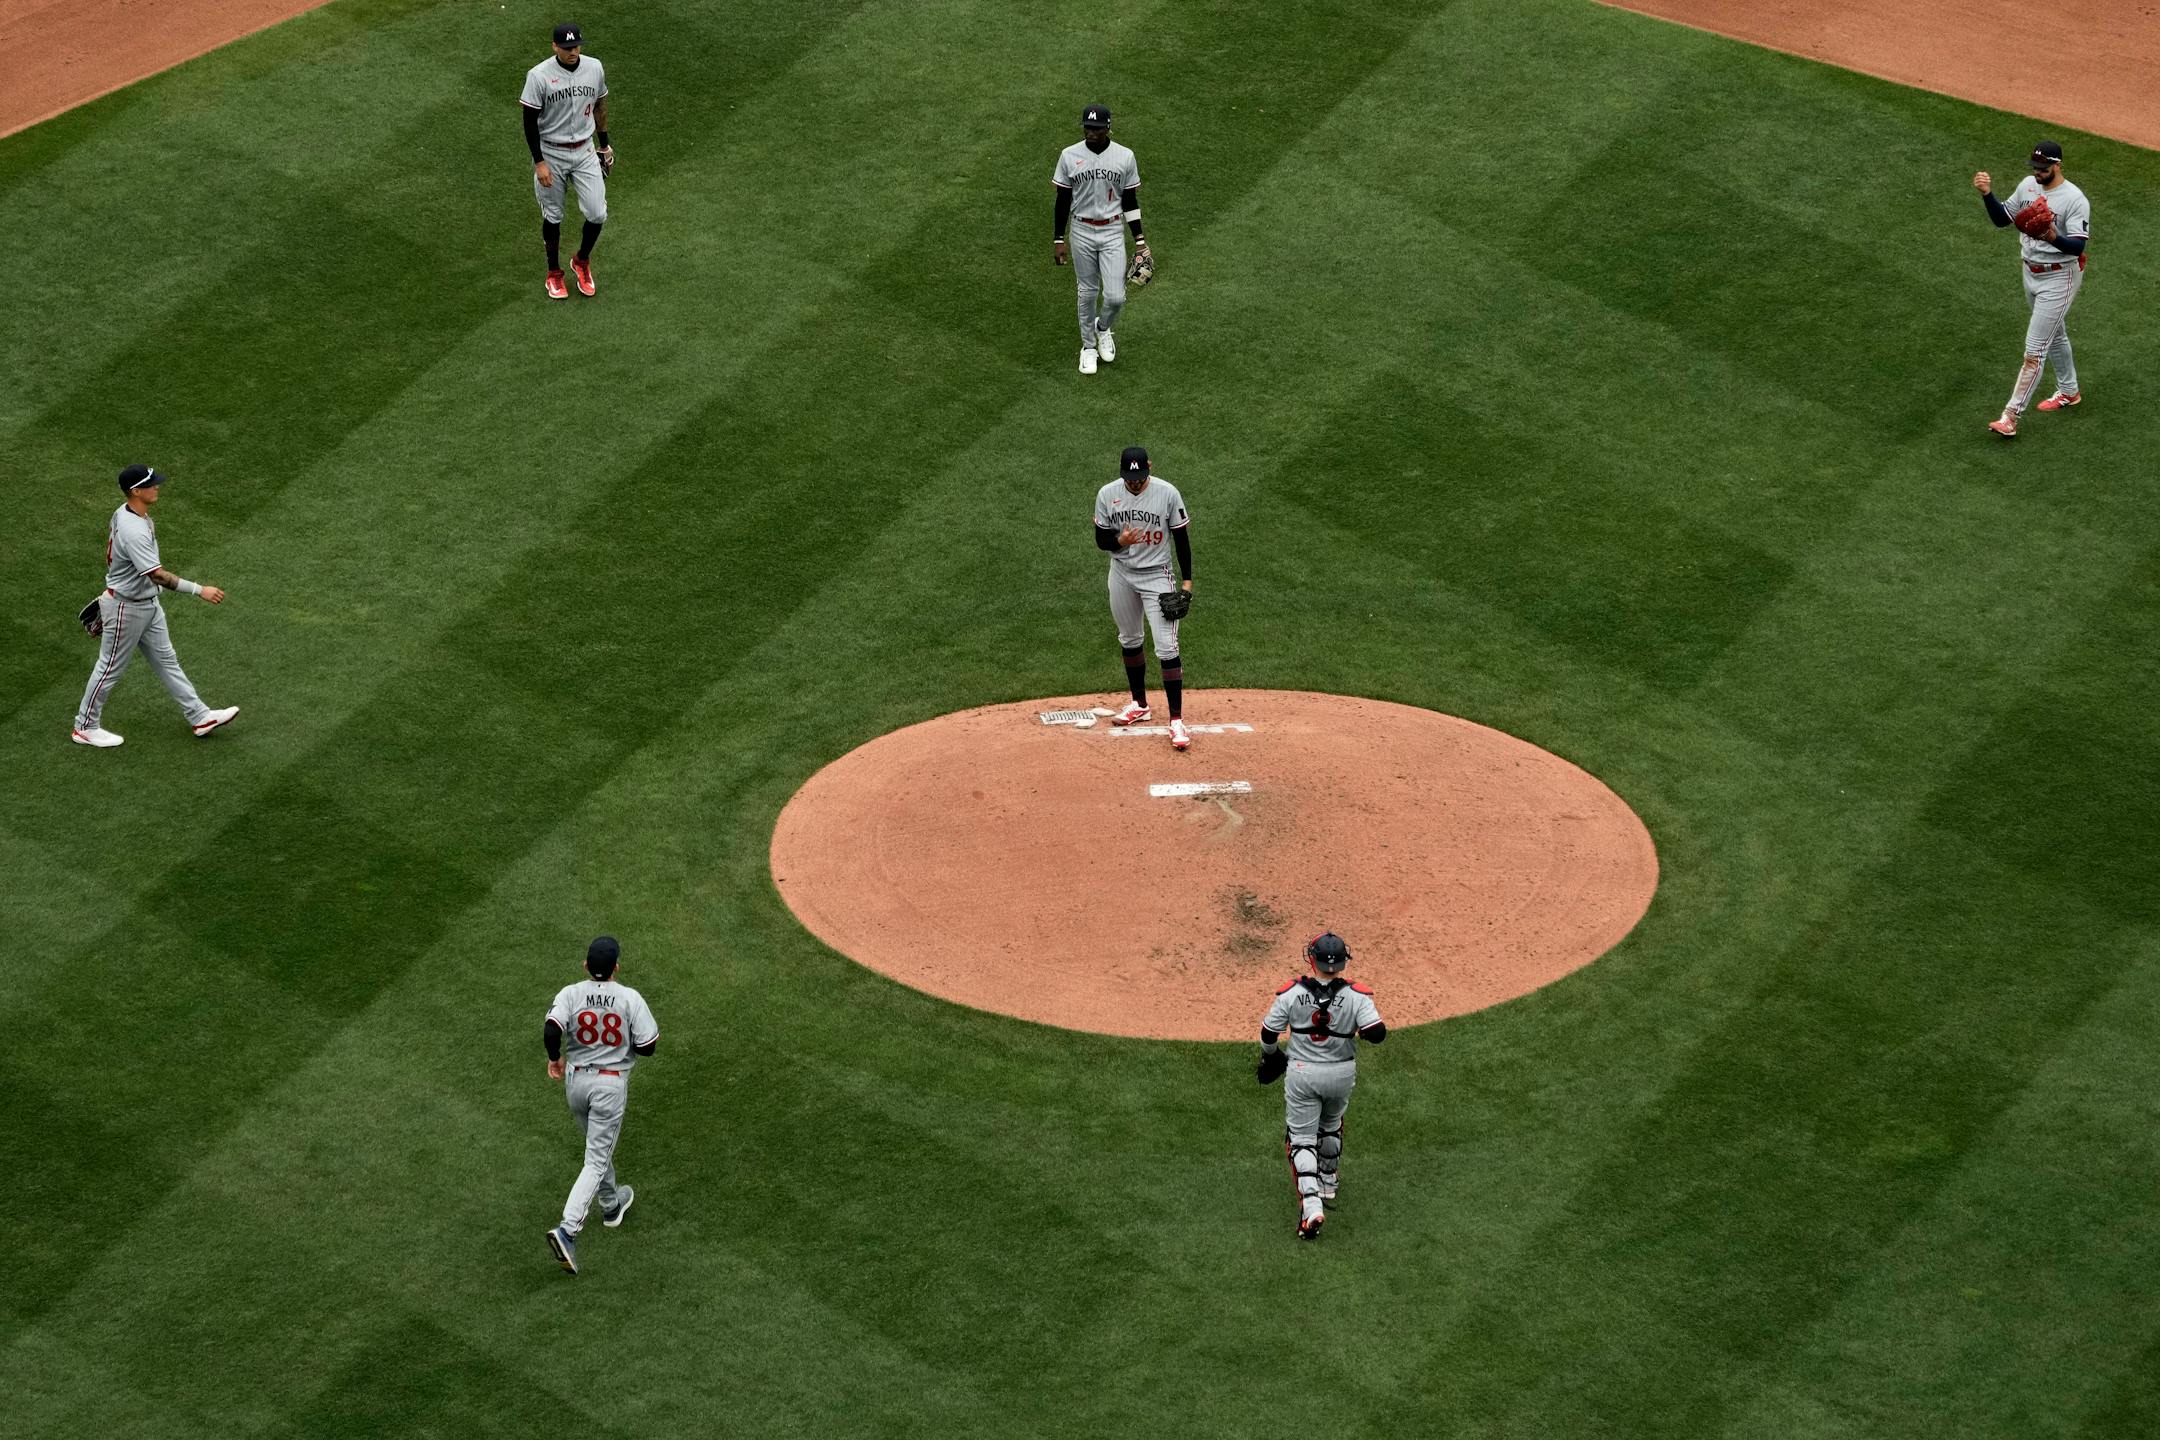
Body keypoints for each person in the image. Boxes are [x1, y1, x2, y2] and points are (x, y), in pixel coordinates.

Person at [71, 465, 238, 748]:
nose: (157, 487)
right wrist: (200, 590)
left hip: (146, 604)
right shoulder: (133, 529)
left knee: (167, 661)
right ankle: (85, 727)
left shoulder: (129, 513)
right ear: (136, 491)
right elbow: (156, 574)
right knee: (110, 668)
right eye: (151, 484)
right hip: (127, 608)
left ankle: (199, 716)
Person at [543, 935, 659, 1275]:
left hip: (575, 1083)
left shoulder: (570, 993)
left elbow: (552, 1030)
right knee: (595, 1159)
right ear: (616, 968)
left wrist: (555, 1059)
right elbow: (649, 1046)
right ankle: (568, 1231)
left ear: (585, 966)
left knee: (597, 1148)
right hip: (608, 1085)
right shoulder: (629, 998)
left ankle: (611, 1206)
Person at [1258, 933, 1385, 1239]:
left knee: (1300, 1139)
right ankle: (1328, 1182)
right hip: (1341, 1074)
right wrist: (1357, 1030)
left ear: (1311, 960)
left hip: (1303, 1073)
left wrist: (1272, 1057)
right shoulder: (1357, 996)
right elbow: (1378, 1033)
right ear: (1343, 961)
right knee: (1331, 1125)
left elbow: (1268, 1032)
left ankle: (1312, 1205)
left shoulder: (1291, 993)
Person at [1973, 140, 2090, 437]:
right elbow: (2003, 219)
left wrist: (2052, 237)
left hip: (2059, 276)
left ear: (2057, 165)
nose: (2037, 172)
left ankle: (2010, 416)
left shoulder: (2075, 199)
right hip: (2030, 271)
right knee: (2056, 333)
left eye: (2043, 167)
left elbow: (2077, 246)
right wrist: (1988, 195)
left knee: (2034, 351)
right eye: (2035, 167)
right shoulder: (2028, 185)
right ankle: (2069, 391)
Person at [1092, 446, 1192, 749]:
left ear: (1149, 467)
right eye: (1130, 479)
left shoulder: (1167, 493)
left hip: (1156, 576)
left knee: (1166, 646)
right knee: (1129, 638)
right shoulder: (1107, 494)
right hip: (1121, 573)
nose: (1135, 483)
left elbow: (1181, 538)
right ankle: (1139, 704)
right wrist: (1119, 540)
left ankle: (1176, 720)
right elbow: (1100, 540)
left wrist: (1186, 584)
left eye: (1139, 477)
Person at [1052, 104, 1149, 374]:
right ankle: (1088, 347)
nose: (1091, 132)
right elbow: (1062, 200)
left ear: (1108, 128)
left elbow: (1129, 199)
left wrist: (1140, 240)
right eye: (1087, 127)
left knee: (1116, 297)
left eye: (1096, 128)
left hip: (1112, 232)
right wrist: (1059, 239)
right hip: (1081, 230)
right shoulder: (1069, 155)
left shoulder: (1125, 156)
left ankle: (1102, 328)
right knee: (1087, 292)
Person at [521, 21, 614, 300]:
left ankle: (581, 261)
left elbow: (599, 106)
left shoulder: (594, 67)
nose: (573, 52)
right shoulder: (538, 76)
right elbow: (528, 123)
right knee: (553, 215)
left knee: (597, 212)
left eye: (576, 46)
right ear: (554, 47)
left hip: (585, 150)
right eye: (567, 47)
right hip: (552, 153)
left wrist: (605, 145)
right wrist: (539, 162)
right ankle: (554, 273)